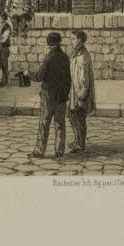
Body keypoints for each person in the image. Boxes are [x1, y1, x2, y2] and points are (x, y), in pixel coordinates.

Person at [29, 31, 72, 159]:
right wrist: (66, 92)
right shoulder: (65, 57)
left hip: (48, 94)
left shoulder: (48, 58)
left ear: (48, 44)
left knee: (44, 122)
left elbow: (39, 76)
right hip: (62, 95)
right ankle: (59, 151)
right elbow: (68, 79)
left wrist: (28, 73)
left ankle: (39, 151)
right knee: (60, 123)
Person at [67, 30, 96, 154]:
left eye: (73, 38)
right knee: (73, 117)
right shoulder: (76, 54)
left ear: (80, 40)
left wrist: (82, 94)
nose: (71, 41)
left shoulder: (83, 56)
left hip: (79, 93)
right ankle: (77, 141)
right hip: (74, 91)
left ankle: (80, 144)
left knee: (79, 118)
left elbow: (84, 78)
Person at [0, 12, 13, 87]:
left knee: (4, 65)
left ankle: (4, 80)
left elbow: (4, 38)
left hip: (4, 48)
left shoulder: (7, 26)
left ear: (3, 18)